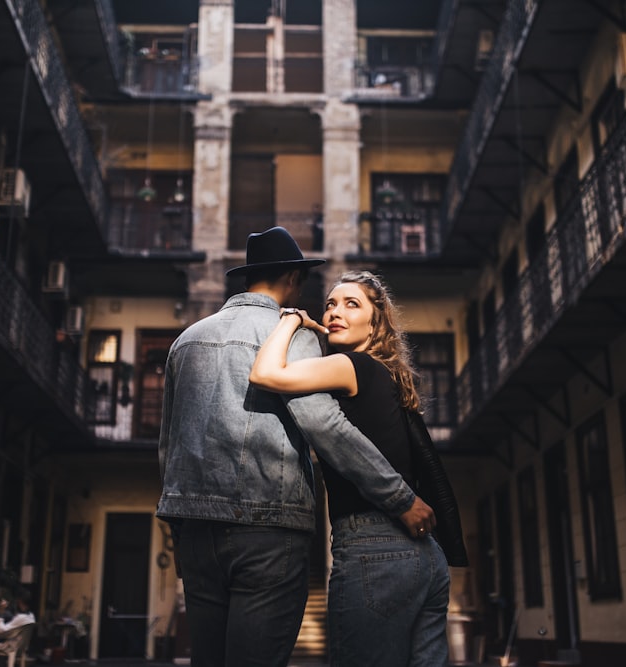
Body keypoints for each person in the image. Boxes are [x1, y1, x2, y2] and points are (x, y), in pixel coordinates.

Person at [157, 227, 435, 667]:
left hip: (194, 528)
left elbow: (168, 445)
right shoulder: (292, 335)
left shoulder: (185, 341)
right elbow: (324, 424)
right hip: (270, 529)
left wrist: (178, 527)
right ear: (293, 278)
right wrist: (400, 497)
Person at [249, 270, 451, 667]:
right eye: (330, 304)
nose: (334, 312)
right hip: (426, 559)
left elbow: (265, 373)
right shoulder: (388, 377)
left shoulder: (352, 366)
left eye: (351, 304)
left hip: (372, 553)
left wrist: (291, 318)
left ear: (376, 322)